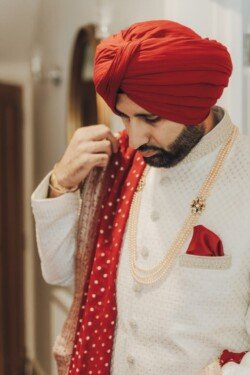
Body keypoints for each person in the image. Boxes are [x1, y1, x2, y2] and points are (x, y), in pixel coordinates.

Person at [31, 20, 250, 375]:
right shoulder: (121, 163)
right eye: (125, 117)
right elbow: (60, 273)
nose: (133, 139)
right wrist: (61, 182)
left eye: (150, 118)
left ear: (196, 105)